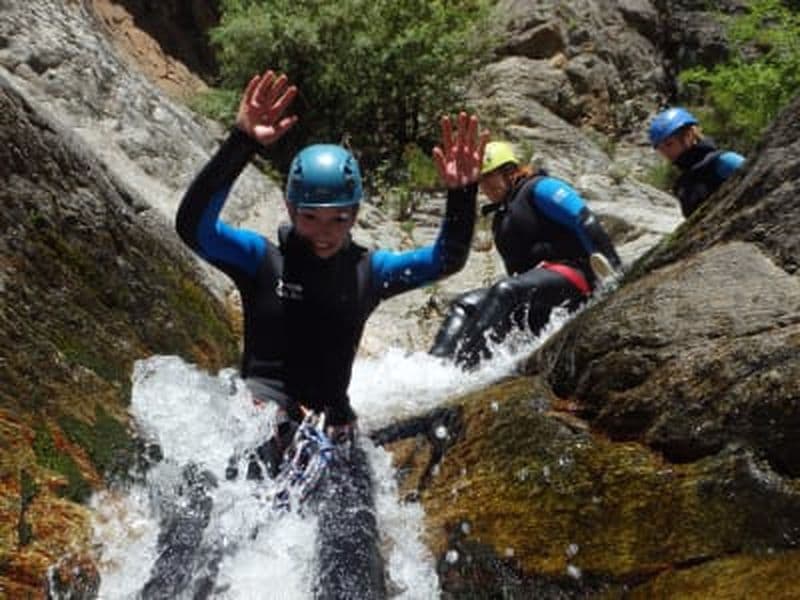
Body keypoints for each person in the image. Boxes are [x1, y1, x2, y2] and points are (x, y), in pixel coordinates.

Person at [176, 68, 487, 475]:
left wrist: (462, 195)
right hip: (263, 413)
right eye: (310, 217)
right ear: (290, 209)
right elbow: (193, 228)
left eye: (338, 219)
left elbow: (446, 260)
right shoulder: (261, 261)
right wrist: (242, 142)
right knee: (267, 435)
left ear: (355, 214)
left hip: (332, 421)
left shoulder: (369, 272)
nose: (324, 232)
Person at [429, 140, 621, 369]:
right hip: (534, 295)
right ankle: (435, 367)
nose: (484, 187)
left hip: (574, 276)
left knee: (505, 290)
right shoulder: (501, 215)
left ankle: (463, 367)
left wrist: (616, 275)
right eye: (481, 180)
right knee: (463, 304)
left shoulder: (540, 188)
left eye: (489, 177)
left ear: (510, 171)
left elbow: (584, 219)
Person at [649, 107, 745, 218]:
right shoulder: (683, 185)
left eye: (669, 144)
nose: (666, 153)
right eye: (661, 149)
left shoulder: (726, 161)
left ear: (689, 135)